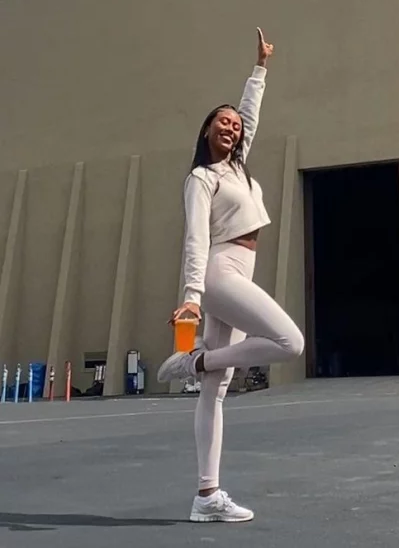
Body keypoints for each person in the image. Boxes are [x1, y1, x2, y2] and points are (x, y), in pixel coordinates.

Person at [157, 28, 305, 523]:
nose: (232, 128)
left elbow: (251, 116)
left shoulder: (239, 169)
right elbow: (196, 238)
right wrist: (193, 296)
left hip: (242, 266)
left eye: (235, 125)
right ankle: (195, 360)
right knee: (289, 342)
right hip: (220, 271)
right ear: (205, 132)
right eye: (221, 123)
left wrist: (260, 69)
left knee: (216, 389)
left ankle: (206, 496)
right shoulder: (201, 179)